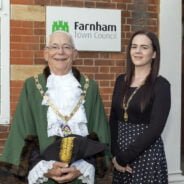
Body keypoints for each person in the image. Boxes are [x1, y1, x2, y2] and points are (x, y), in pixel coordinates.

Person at [0, 31, 110, 184]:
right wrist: (44, 167)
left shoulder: (90, 88)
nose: (60, 52)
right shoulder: (31, 86)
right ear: (46, 53)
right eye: (54, 47)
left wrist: (82, 167)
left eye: (66, 47)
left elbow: (99, 132)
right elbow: (22, 132)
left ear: (75, 54)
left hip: (80, 177)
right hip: (44, 177)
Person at [110, 30, 171, 184]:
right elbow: (113, 119)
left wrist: (124, 157)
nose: (137, 51)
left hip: (147, 156)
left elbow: (155, 128)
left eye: (144, 47)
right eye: (134, 46)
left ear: (154, 54)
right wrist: (116, 155)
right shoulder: (120, 81)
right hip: (120, 157)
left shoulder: (161, 85)